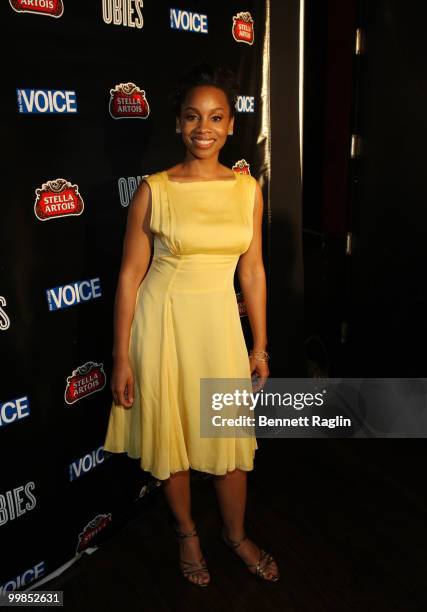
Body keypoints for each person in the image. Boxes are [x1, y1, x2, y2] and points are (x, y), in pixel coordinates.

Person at [103, 63, 279, 587]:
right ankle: (186, 532)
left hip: (220, 329)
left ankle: (234, 534)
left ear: (230, 127)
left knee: (229, 446)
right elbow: (131, 276)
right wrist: (121, 356)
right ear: (178, 124)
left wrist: (261, 345)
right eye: (193, 116)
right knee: (172, 437)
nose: (204, 127)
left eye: (216, 117)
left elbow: (253, 270)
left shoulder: (248, 189)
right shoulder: (154, 191)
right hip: (162, 326)